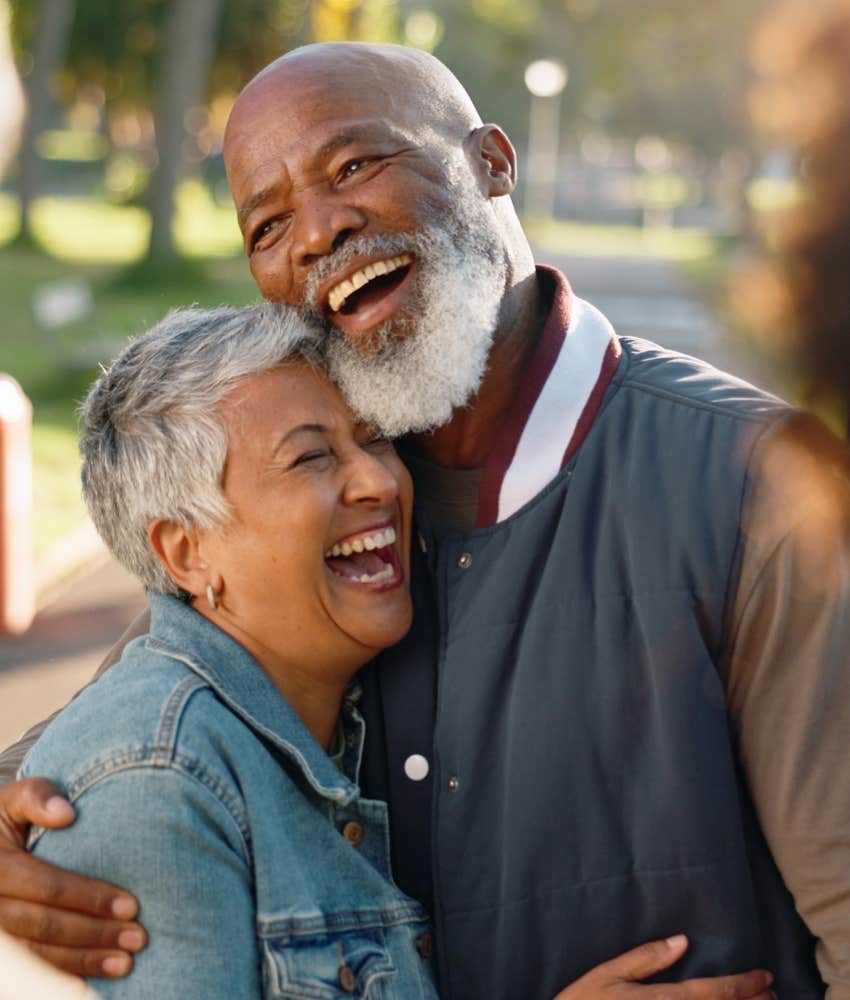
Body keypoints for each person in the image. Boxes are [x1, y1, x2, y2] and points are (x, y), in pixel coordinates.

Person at [0, 41, 847, 999]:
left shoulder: (755, 482)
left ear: (492, 162)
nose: (317, 233)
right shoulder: (306, 516)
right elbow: (157, 704)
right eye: (267, 224)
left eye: (355, 165)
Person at [18, 302, 442, 997]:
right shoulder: (156, 783)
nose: (379, 481)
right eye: (310, 457)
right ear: (186, 553)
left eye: (375, 439)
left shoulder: (356, 716)